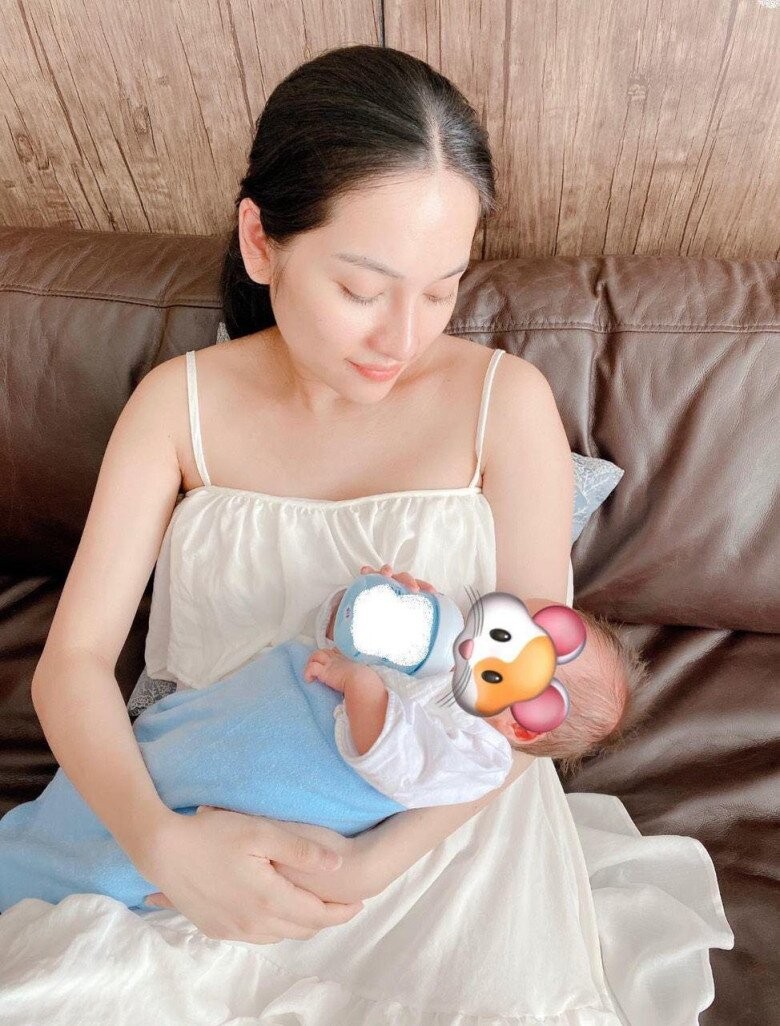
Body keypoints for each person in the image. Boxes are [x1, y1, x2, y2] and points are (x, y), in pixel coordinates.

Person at [12, 43, 732, 1025]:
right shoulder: (175, 408)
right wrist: (162, 844)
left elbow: (525, 707)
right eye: (361, 290)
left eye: (441, 290)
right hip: (200, 813)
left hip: (435, 837)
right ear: (261, 242)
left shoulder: (507, 404)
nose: (403, 338)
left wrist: (367, 866)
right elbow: (72, 665)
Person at [0, 570, 632, 914]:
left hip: (280, 778)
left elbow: (393, 758)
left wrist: (363, 686)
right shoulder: (449, 653)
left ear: (523, 725)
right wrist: (377, 605)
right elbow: (332, 637)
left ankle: (44, 879)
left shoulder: (477, 756)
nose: (482, 632)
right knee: (122, 780)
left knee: (114, 863)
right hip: (228, 722)